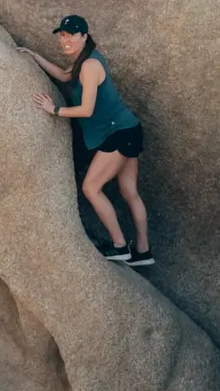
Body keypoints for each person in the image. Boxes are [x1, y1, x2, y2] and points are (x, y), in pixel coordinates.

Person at [19, 14, 154, 266]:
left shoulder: (90, 66)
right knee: (129, 191)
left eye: (71, 35)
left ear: (84, 36)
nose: (65, 40)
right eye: (62, 35)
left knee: (91, 188)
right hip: (128, 129)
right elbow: (63, 75)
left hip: (118, 135)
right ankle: (143, 253)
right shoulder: (85, 60)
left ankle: (120, 246)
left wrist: (54, 110)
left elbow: (87, 109)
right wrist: (35, 57)